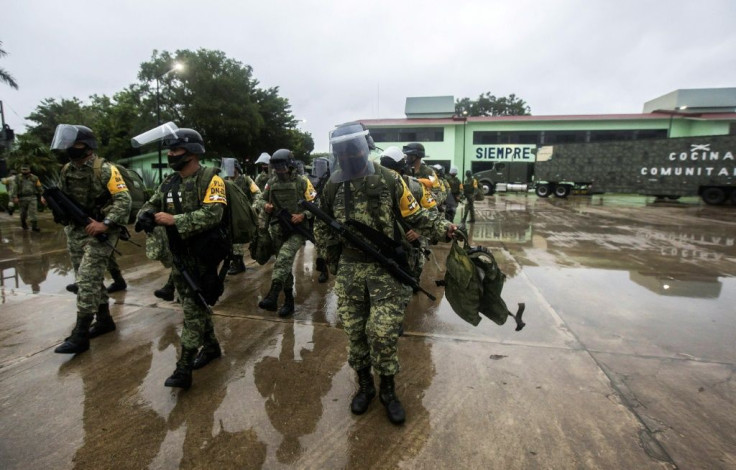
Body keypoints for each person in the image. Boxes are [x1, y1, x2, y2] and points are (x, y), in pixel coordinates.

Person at [314, 123, 456, 425]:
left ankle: (389, 391)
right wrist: (333, 262)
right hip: (351, 273)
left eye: (353, 149)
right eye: (343, 151)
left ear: (365, 147)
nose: (349, 155)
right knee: (355, 335)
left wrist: (445, 228)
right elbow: (322, 226)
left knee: (382, 333)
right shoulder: (333, 185)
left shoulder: (390, 179)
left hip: (386, 271)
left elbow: (415, 215)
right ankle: (365, 387)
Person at [136, 127, 227, 389]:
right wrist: (146, 214)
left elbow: (213, 214)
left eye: (175, 150)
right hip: (179, 255)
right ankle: (210, 347)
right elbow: (152, 203)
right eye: (170, 150)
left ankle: (183, 366)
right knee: (194, 304)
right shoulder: (169, 181)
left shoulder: (212, 179)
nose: (170, 154)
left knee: (192, 310)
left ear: (192, 152)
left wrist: (175, 220)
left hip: (204, 256)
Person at [50, 125, 132, 354]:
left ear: (87, 146)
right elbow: (65, 197)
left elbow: (123, 200)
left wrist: (104, 224)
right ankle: (104, 319)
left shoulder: (105, 169)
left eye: (74, 144)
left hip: (103, 229)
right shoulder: (67, 169)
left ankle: (81, 334)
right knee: (90, 278)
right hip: (77, 230)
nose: (69, 149)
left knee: (86, 279)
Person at [255, 149, 316, 317]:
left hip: (297, 230)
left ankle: (273, 294)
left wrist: (303, 215)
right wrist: (265, 206)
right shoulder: (271, 182)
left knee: (284, 258)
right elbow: (259, 199)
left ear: (290, 165)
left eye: (282, 167)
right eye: (276, 167)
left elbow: (315, 204)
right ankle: (288, 301)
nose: (279, 170)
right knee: (285, 265)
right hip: (278, 228)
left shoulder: (302, 182)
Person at [227, 161, 261, 275]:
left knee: (244, 237)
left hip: (244, 214)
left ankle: (240, 262)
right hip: (229, 214)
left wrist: (254, 207)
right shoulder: (224, 181)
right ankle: (236, 262)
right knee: (231, 239)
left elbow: (257, 193)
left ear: (236, 168)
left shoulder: (246, 180)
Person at [12, 164, 45, 231]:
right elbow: (15, 187)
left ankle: (34, 226)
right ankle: (23, 223)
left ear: (29, 170)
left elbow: (39, 187)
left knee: (33, 213)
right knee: (23, 214)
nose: (24, 171)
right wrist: (15, 197)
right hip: (22, 198)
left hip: (32, 197)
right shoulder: (18, 177)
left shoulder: (35, 178)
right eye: (22, 169)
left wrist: (43, 195)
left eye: (25, 169)